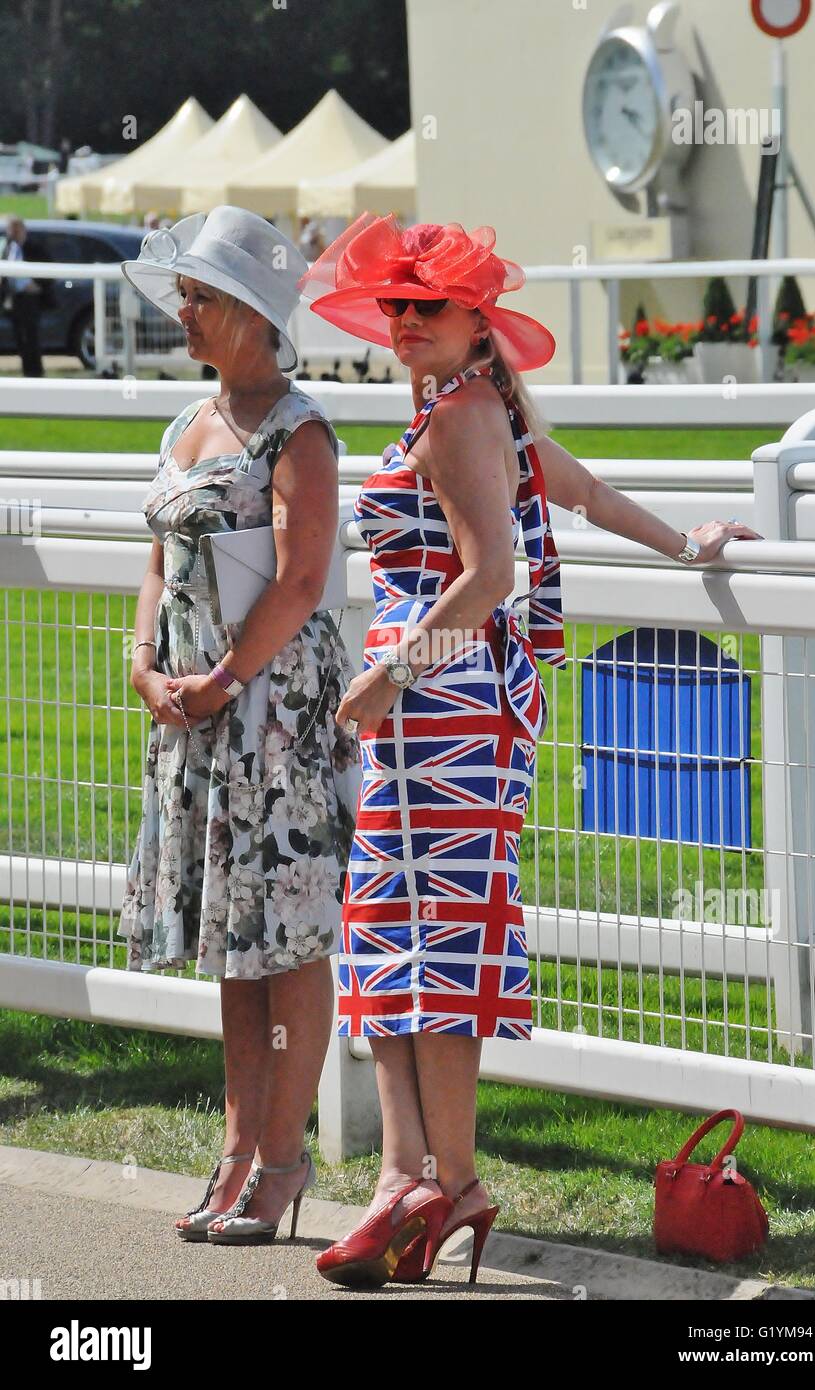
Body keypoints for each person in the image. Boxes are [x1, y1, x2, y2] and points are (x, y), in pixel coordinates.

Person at [297, 212, 761, 1288]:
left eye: (429, 309)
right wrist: (685, 537)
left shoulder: (460, 415)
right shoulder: (474, 407)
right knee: (397, 937)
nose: (405, 323)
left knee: (432, 943)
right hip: (438, 708)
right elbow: (584, 492)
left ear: (475, 323)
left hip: (442, 703)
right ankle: (411, 1181)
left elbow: (488, 576)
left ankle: (439, 1178)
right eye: (396, 308)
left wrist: (385, 676)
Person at [116, 205, 362, 1245]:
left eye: (204, 296)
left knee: (288, 935)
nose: (185, 309)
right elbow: (157, 563)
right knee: (231, 940)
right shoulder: (187, 423)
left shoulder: (297, 428)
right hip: (199, 713)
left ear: (257, 316)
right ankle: (236, 1150)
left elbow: (303, 578)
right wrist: (145, 667)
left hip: (268, 715)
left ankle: (284, 1158)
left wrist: (222, 675)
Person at [2, 217, 46, 376]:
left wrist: (37, 285)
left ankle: (36, 372)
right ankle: (26, 371)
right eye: (10, 229)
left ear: (22, 229)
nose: (12, 233)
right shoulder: (8, 247)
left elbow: (47, 268)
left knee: (32, 338)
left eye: (15, 229)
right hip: (15, 300)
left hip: (31, 300)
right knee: (20, 338)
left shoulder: (34, 247)